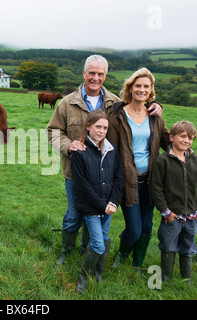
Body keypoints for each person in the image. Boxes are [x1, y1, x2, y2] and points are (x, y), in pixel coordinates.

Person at [47, 55, 162, 267]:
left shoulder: (116, 104)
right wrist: (67, 145)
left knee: (98, 214)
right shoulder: (66, 103)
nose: (95, 77)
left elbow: (139, 107)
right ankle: (66, 249)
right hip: (75, 172)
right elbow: (53, 132)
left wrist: (155, 105)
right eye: (91, 73)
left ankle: (87, 249)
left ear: (105, 76)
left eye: (100, 74)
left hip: (105, 175)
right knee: (74, 215)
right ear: (84, 74)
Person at [107, 67, 171, 274]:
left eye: (146, 86)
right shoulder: (117, 116)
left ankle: (137, 264)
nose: (142, 90)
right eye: (138, 86)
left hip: (151, 181)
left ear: (151, 90)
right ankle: (122, 255)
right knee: (134, 229)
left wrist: (194, 160)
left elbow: (169, 143)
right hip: (127, 181)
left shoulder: (155, 117)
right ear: (131, 88)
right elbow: (110, 150)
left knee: (146, 227)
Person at [70, 109, 124, 294]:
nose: (101, 131)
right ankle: (83, 278)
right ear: (88, 127)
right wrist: (102, 205)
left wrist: (113, 202)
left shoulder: (111, 150)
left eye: (105, 128)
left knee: (104, 237)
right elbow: (82, 185)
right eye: (98, 127)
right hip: (92, 208)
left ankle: (98, 274)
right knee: (98, 243)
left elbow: (119, 178)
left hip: (108, 206)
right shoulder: (80, 152)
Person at [151, 121, 197, 285]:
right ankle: (166, 278)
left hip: (192, 216)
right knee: (168, 246)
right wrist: (166, 213)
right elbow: (156, 188)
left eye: (191, 138)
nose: (187, 141)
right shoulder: (162, 161)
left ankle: (186, 279)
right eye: (183, 136)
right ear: (171, 137)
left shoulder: (195, 161)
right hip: (172, 216)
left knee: (188, 246)